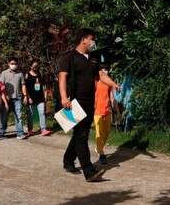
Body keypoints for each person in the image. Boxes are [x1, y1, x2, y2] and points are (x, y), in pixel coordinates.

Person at [58, 28, 120, 182]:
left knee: (80, 134)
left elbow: (100, 75)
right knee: (82, 136)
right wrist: (64, 97)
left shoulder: (93, 58)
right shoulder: (70, 57)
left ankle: (67, 160)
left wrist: (113, 84)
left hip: (89, 102)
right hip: (74, 102)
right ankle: (89, 170)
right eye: (92, 39)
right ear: (83, 39)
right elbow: (62, 77)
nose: (94, 42)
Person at [0, 57, 28, 139]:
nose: (14, 65)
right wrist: (4, 95)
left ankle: (20, 133)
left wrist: (25, 96)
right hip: (6, 99)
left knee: (19, 116)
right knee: (4, 116)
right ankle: (2, 132)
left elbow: (23, 85)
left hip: (17, 98)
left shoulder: (20, 74)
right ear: (9, 64)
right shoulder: (4, 73)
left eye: (15, 63)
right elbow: (1, 86)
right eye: (12, 63)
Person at [94, 64, 117, 164]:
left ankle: (99, 148)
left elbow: (112, 97)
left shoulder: (109, 82)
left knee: (107, 132)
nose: (105, 71)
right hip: (97, 111)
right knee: (99, 133)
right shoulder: (95, 81)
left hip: (107, 110)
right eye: (103, 69)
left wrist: (117, 110)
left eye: (107, 69)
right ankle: (101, 154)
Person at [24, 59, 52, 137]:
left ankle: (43, 129)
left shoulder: (40, 74)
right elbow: (25, 87)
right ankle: (30, 130)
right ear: (31, 66)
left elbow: (43, 86)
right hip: (31, 98)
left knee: (42, 113)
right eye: (34, 66)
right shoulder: (27, 75)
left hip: (40, 98)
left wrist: (45, 95)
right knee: (31, 115)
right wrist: (27, 97)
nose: (35, 67)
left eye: (37, 66)